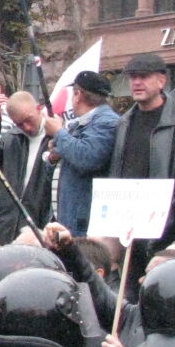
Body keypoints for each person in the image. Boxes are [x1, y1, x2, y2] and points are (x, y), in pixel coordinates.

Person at [107, 53, 175, 264]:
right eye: (133, 77)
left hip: (168, 232)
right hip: (128, 232)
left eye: (143, 76)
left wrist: (168, 212)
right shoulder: (123, 123)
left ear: (161, 80)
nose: (137, 82)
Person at [43, 69, 120, 237]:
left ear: (78, 95)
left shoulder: (107, 122)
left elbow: (88, 158)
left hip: (83, 224)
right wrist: (54, 157)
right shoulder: (79, 125)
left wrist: (58, 133)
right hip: (67, 218)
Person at [0, 90, 54, 242]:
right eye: (19, 124)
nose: (27, 127)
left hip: (37, 226)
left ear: (39, 108)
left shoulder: (55, 139)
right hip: (3, 226)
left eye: (29, 120)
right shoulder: (12, 139)